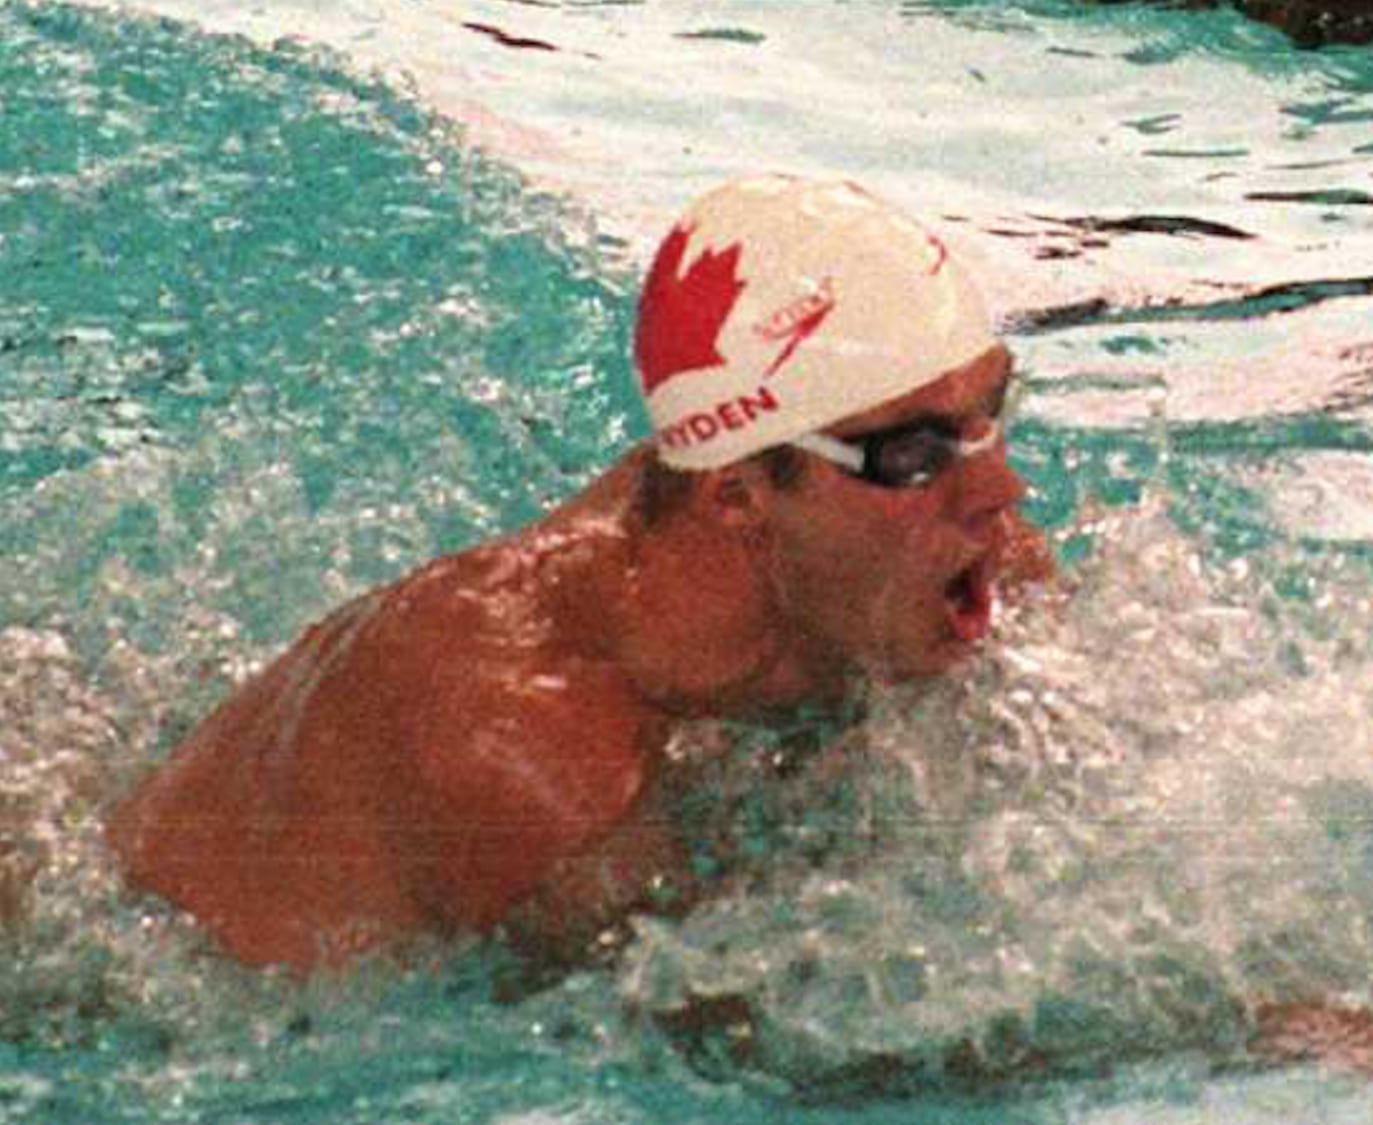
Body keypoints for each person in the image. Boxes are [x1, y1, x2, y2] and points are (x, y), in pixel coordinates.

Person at [105, 172, 1048, 973]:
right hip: (121, 988)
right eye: (918, 451)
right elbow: (764, 1060)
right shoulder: (531, 748)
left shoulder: (911, 534)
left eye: (987, 415)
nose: (998, 487)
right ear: (739, 497)